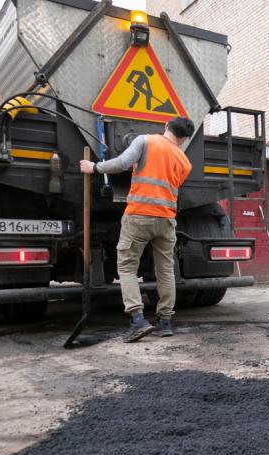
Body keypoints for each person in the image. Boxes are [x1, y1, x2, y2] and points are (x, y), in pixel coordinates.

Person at [79, 116, 194, 343]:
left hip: (139, 216)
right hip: (167, 220)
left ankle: (138, 320)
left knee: (128, 268)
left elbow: (122, 163)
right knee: (166, 271)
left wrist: (94, 167)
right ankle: (165, 322)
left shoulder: (146, 141)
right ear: (184, 139)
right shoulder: (185, 161)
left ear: (166, 127)